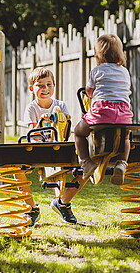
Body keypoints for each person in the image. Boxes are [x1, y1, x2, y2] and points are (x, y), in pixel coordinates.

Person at [20, 67, 89, 226]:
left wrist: (63, 120)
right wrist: (41, 122)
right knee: (16, 170)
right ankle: (31, 208)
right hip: (39, 149)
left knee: (86, 168)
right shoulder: (32, 108)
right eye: (40, 85)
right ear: (32, 89)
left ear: (54, 85)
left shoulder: (60, 105)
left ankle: (63, 202)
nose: (45, 89)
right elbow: (32, 132)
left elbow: (65, 128)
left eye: (49, 85)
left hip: (58, 148)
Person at [73, 34, 134, 186]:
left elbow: (89, 91)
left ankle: (86, 162)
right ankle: (121, 163)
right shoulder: (125, 71)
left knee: (79, 133)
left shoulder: (97, 70)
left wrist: (92, 93)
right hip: (123, 113)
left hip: (102, 113)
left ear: (98, 54)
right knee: (126, 137)